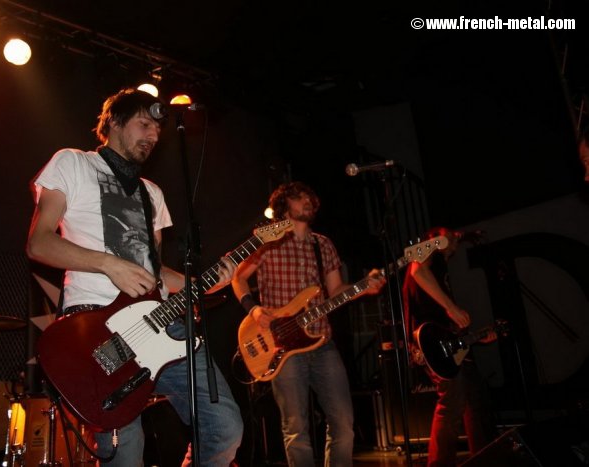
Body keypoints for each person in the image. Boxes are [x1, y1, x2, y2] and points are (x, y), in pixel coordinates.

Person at [27, 88, 243, 467]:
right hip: (96, 329)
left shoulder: (152, 193)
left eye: (157, 130)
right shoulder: (73, 163)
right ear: (114, 121)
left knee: (224, 426)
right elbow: (39, 243)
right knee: (126, 451)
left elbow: (156, 275)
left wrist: (207, 282)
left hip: (160, 325)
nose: (153, 135)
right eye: (144, 124)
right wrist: (109, 264)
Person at [231, 181, 386, 466]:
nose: (307, 202)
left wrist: (364, 286)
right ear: (283, 206)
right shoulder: (268, 241)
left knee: (343, 424)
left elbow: (335, 290)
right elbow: (238, 278)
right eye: (299, 197)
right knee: (296, 430)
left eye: (310, 198)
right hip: (282, 347)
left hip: (322, 342)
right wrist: (253, 310)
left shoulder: (322, 244)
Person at [402, 227, 497, 467]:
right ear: (433, 238)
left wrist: (475, 337)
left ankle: (484, 458)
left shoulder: (440, 268)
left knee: (475, 399)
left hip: (447, 342)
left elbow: (444, 320)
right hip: (431, 342)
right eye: (448, 234)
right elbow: (417, 271)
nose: (455, 237)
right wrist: (451, 308)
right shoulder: (427, 253)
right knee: (452, 402)